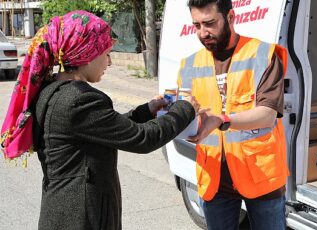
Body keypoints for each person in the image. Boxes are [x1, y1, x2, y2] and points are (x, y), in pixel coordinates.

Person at [0, 10, 200, 230]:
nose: (110, 62)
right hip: (82, 220)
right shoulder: (78, 100)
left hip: (62, 216)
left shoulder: (53, 92)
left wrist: (147, 111)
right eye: (106, 54)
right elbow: (142, 139)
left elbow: (103, 129)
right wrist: (185, 108)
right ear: (87, 54)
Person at [178, 1, 290, 229]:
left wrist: (222, 120)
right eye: (196, 25)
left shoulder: (263, 54)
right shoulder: (189, 64)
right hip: (214, 178)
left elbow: (267, 115)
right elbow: (186, 111)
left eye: (210, 23)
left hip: (260, 174)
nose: (203, 33)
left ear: (230, 17)